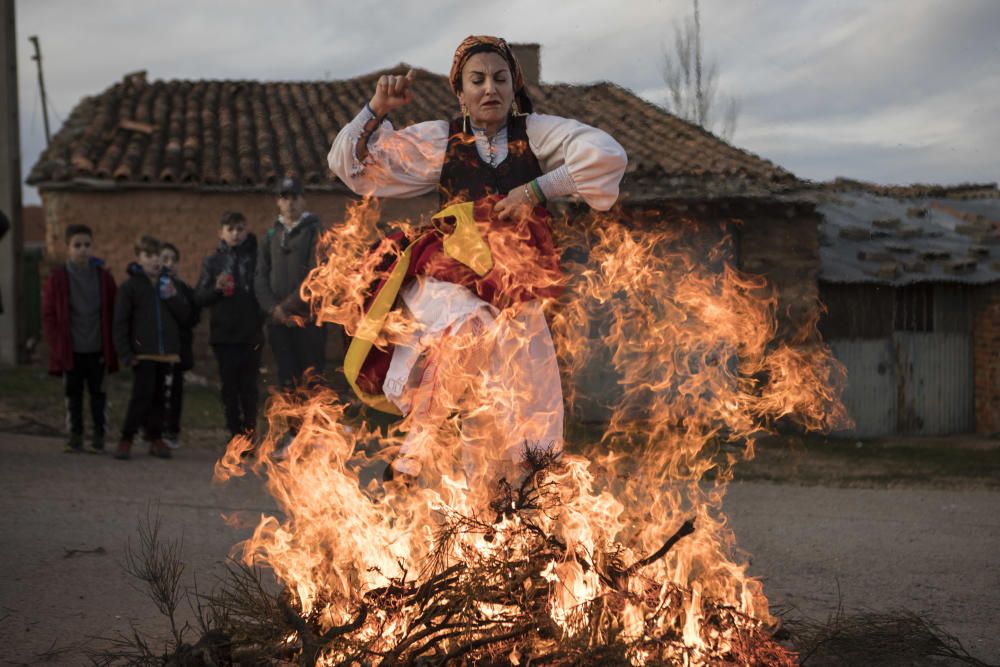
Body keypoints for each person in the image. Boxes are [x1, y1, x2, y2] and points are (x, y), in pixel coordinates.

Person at [327, 35, 627, 484]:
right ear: (461, 91)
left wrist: (536, 190)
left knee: (517, 398)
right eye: (478, 80)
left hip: (515, 279)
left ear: (513, 87)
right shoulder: (442, 138)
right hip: (454, 267)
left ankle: (505, 507)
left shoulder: (535, 133)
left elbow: (606, 155)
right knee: (464, 326)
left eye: (500, 79)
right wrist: (377, 108)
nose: (490, 88)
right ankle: (413, 453)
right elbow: (355, 167)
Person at [112, 235, 191, 460]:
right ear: (138, 258)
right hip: (143, 354)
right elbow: (120, 323)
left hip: (167, 355)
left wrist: (173, 298)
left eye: (157, 255)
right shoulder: (130, 287)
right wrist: (126, 354)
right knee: (141, 396)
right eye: (148, 256)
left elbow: (185, 316)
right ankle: (127, 437)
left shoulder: (170, 285)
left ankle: (155, 438)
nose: (155, 260)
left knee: (160, 399)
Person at [41, 224, 118, 452]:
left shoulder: (104, 279)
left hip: (97, 348)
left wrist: (111, 346)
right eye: (77, 245)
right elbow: (49, 314)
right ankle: (75, 436)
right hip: (71, 350)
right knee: (73, 395)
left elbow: (113, 312)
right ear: (68, 248)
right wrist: (57, 344)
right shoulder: (58, 278)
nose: (83, 250)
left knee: (99, 395)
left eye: (87, 245)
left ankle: (99, 437)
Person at [195, 211, 264, 441]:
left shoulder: (256, 258)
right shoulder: (213, 261)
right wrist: (216, 289)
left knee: (249, 388)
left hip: (251, 333)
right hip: (223, 335)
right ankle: (234, 434)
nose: (235, 234)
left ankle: (250, 433)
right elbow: (200, 297)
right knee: (229, 388)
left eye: (240, 229)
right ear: (221, 232)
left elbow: (262, 293)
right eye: (230, 229)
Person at [158, 242, 200, 449]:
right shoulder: (151, 286)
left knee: (174, 392)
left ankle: (171, 431)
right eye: (164, 259)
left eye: (173, 260)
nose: (169, 264)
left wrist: (174, 297)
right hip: (155, 350)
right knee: (154, 390)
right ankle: (152, 430)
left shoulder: (183, 289)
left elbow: (190, 318)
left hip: (177, 351)